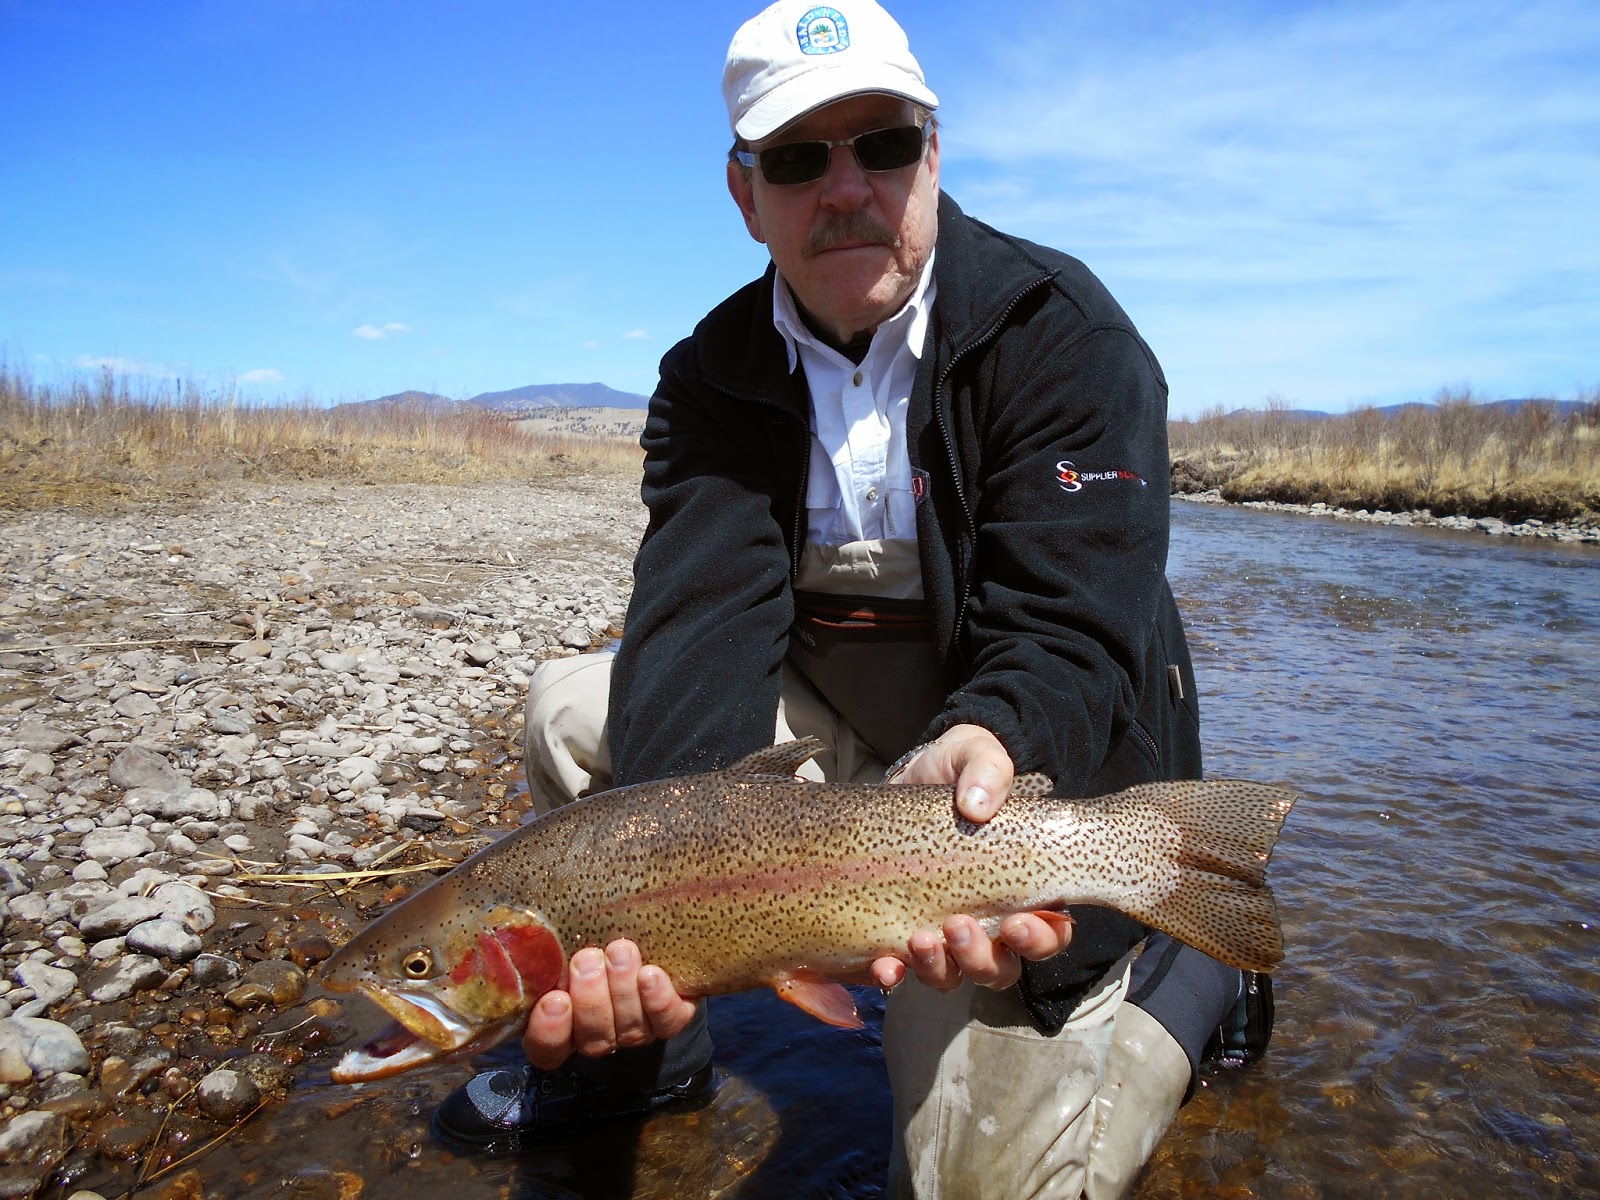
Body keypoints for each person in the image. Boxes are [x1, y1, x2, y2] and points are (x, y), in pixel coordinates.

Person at [434, 2, 1272, 1195]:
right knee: (577, 709)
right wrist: (670, 930)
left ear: (931, 153)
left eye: (879, 144)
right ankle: (650, 1044)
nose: (844, 187)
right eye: (795, 158)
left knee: (969, 1182)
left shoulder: (1064, 335)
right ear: (744, 192)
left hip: (1037, 753)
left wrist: (993, 746)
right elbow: (697, 630)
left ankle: (1182, 969)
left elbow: (1074, 627)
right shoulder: (710, 375)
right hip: (849, 766)